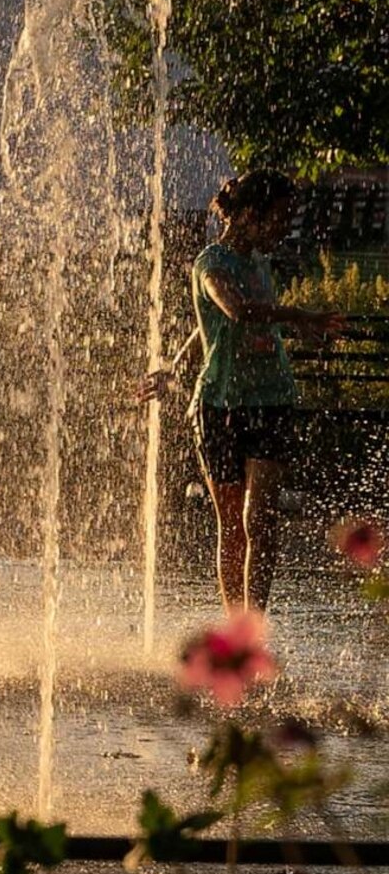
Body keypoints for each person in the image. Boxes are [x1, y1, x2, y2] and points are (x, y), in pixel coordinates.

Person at [152, 170, 340, 615]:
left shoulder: (258, 262)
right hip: (219, 407)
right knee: (233, 526)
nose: (284, 228)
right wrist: (296, 315)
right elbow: (229, 312)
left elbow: (206, 331)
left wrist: (300, 326)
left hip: (271, 399)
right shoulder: (211, 264)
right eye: (279, 218)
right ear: (252, 216)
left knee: (261, 521)